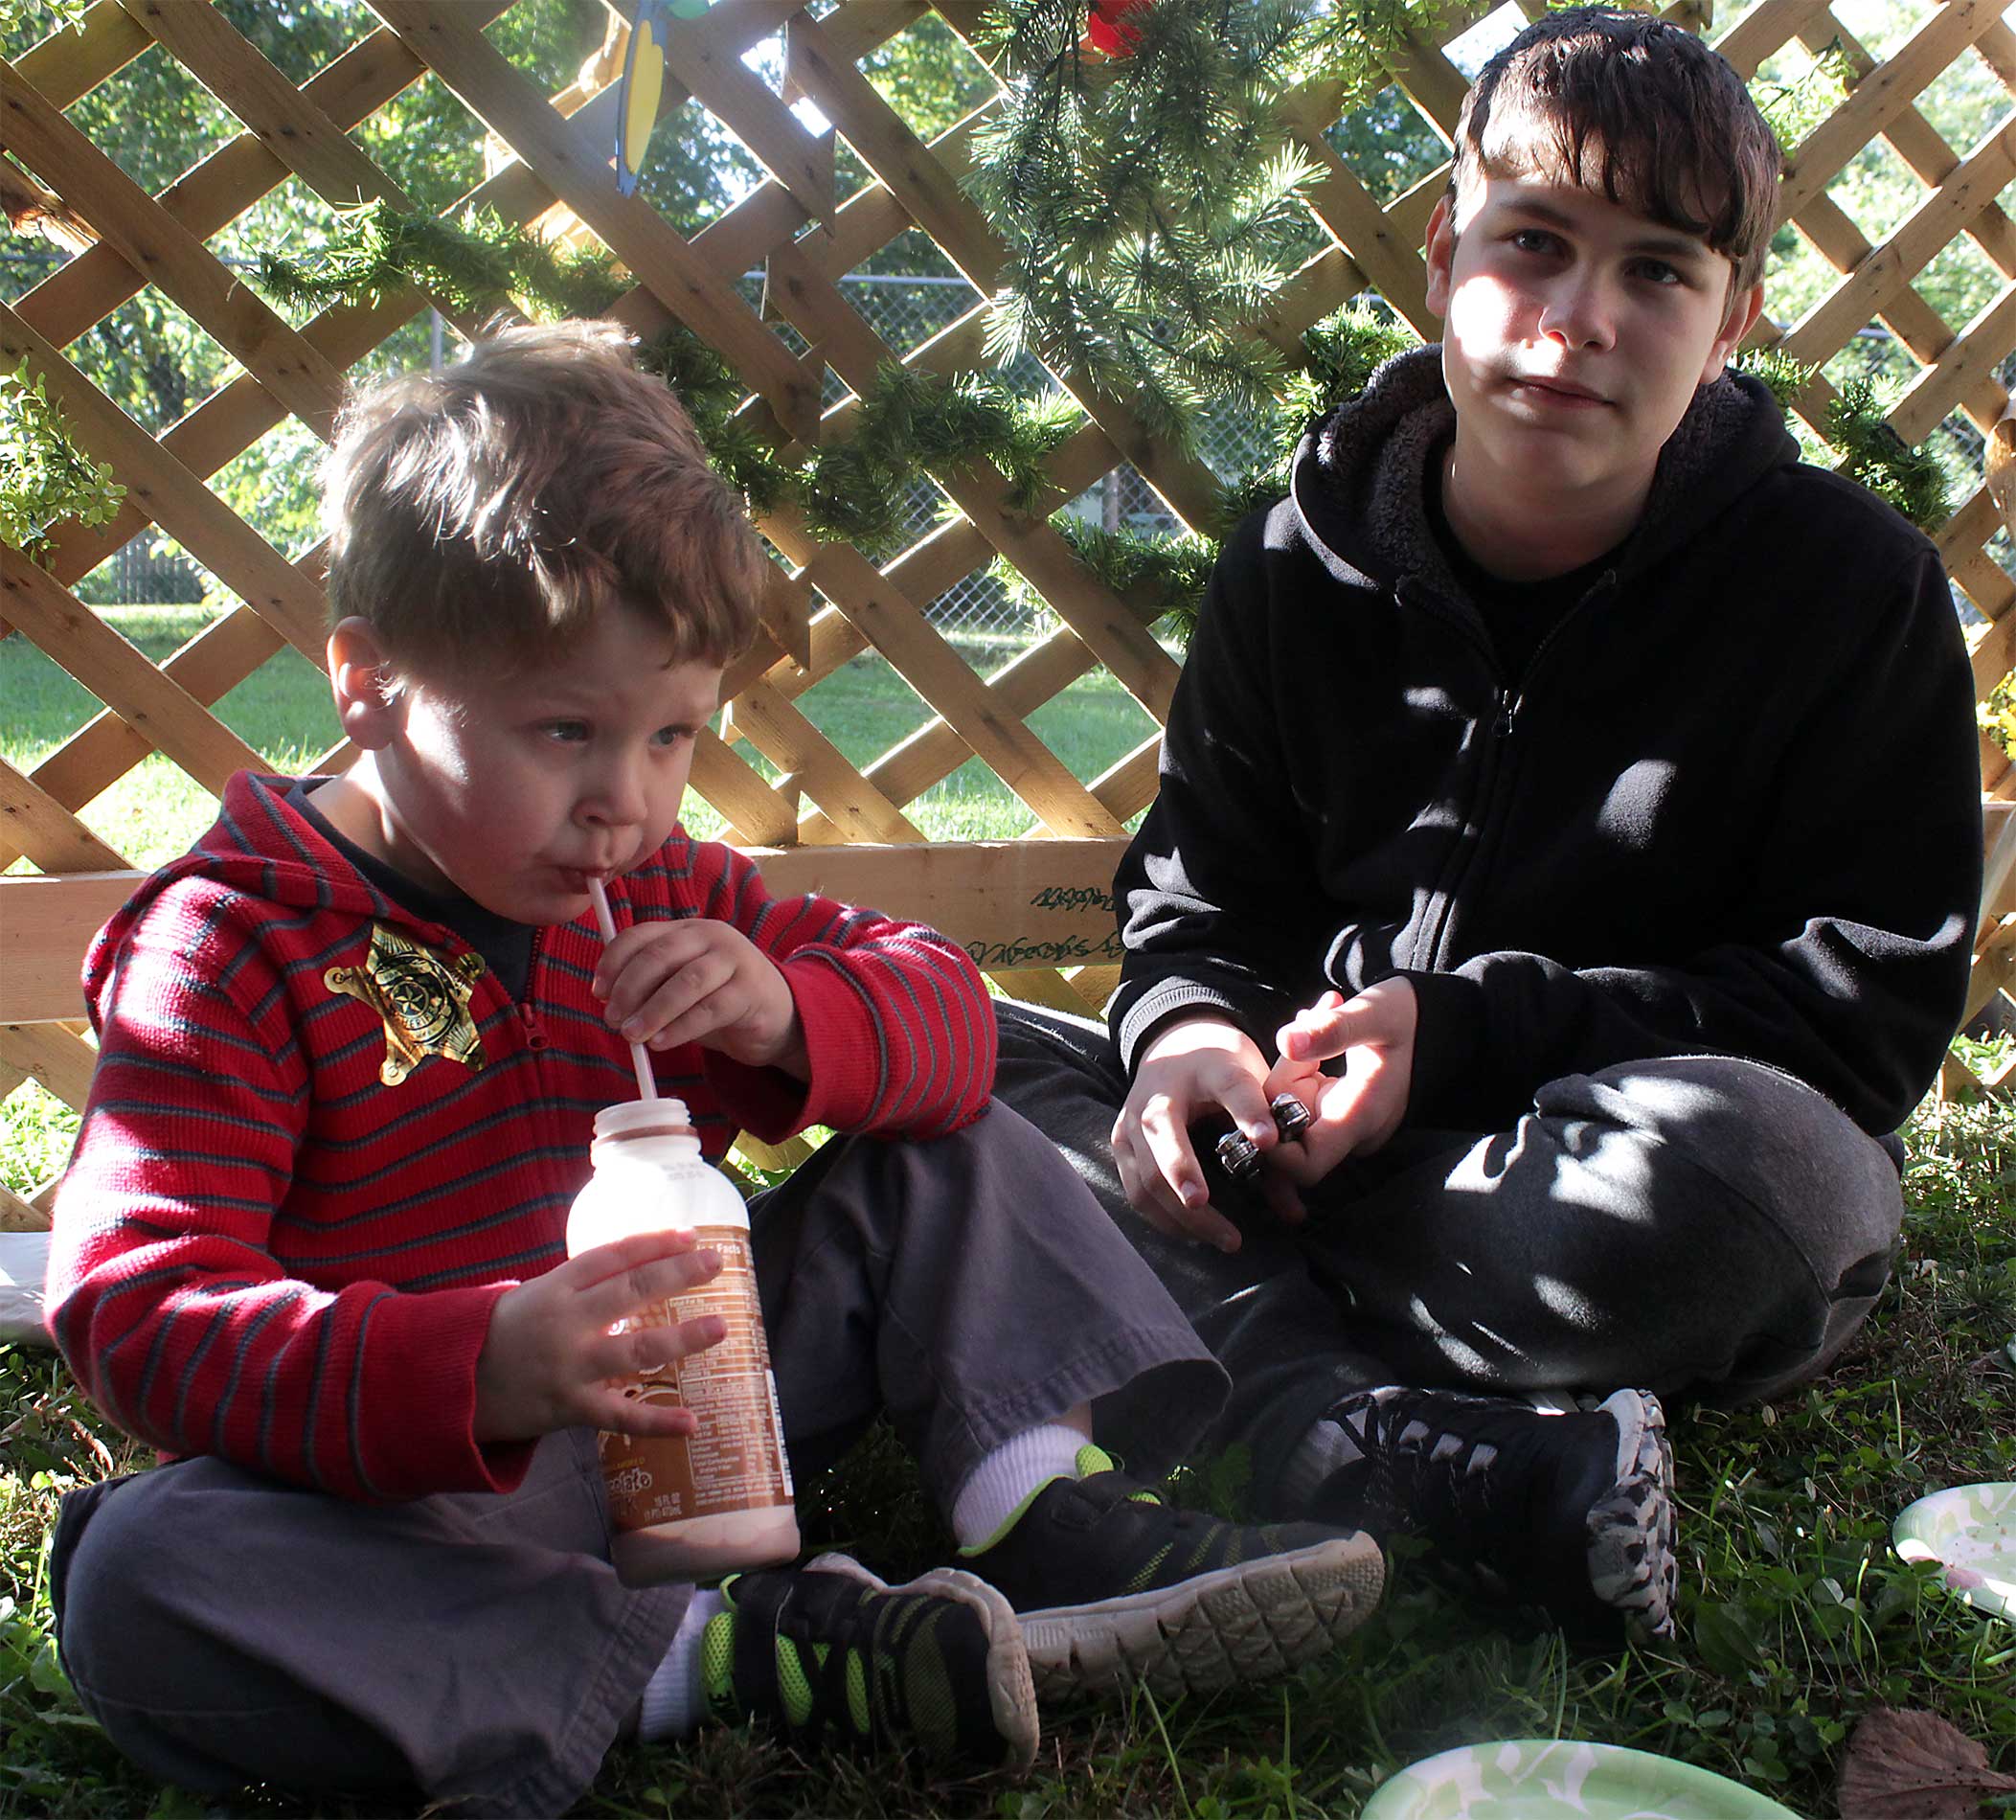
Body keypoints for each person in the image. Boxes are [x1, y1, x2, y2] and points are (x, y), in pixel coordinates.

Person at [42, 322, 1388, 1816]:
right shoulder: (233, 948)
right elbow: (135, 1305)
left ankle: (1043, 1521)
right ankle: (735, 1657)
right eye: (566, 730)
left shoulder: (655, 889)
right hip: (431, 1503)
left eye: (672, 734)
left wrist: (788, 1015)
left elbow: (949, 1019)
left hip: (711, 1412)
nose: (622, 803)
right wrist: (481, 1367)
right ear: (367, 680)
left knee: (942, 1131)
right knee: (141, 1574)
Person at [995, 6, 1982, 1649]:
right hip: (1288, 1149)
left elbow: (1857, 1018)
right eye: (1533, 242)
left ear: (1729, 321)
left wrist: (1456, 1037)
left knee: (1758, 1184)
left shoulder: (1847, 594)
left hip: (1561, 1174)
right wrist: (1185, 1039)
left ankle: (1210, 1338)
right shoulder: (1290, 562)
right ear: (1443, 251)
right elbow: (1198, 893)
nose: (1577, 319)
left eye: (1655, 270)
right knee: (954, 1064)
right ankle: (1343, 1425)